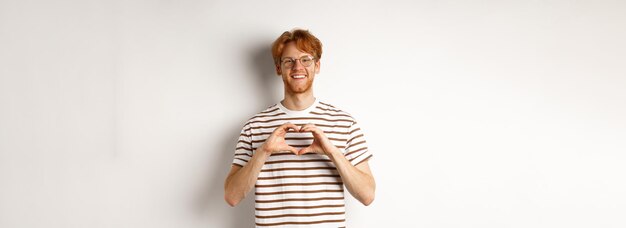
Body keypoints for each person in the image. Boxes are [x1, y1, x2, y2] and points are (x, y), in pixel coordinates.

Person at [224, 28, 375, 227]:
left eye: (306, 59)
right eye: (289, 61)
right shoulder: (254, 126)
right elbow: (232, 197)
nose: (298, 67)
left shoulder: (344, 122)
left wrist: (332, 152)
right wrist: (264, 151)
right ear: (279, 68)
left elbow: (367, 195)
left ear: (317, 65)